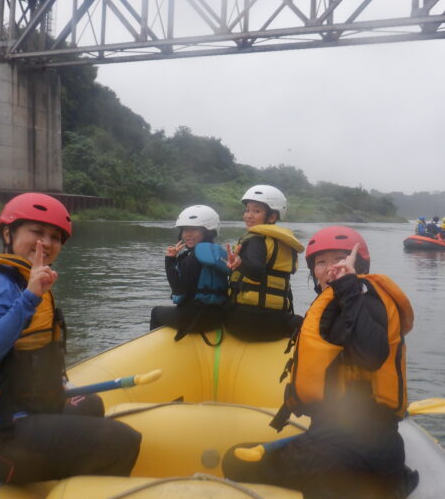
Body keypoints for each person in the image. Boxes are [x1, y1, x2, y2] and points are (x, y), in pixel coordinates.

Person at [0, 193, 141, 483]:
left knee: (91, 404)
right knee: (123, 441)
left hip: (15, 411)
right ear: (7, 232)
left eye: (55, 237)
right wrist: (29, 298)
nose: (47, 243)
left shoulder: (22, 278)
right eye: (37, 232)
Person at [222, 226, 417, 499]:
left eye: (339, 259)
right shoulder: (359, 300)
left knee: (234, 461)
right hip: (370, 442)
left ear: (358, 264)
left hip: (343, 447)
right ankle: (389, 480)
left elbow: (371, 356)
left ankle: (374, 484)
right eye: (320, 262)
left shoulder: (358, 298)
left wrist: (348, 286)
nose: (328, 269)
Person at [225, 184, 304, 342]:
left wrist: (240, 262)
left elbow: (257, 273)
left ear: (272, 217)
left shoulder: (256, 239)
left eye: (256, 211)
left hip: (245, 323)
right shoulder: (284, 242)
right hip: (278, 323)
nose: (248, 215)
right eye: (247, 210)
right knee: (302, 322)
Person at [150, 205, 229, 342]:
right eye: (185, 229)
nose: (187, 234)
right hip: (218, 317)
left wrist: (169, 261)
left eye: (194, 229)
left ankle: (153, 351)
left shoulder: (192, 258)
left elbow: (179, 290)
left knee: (156, 312)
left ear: (207, 231)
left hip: (195, 319)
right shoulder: (216, 253)